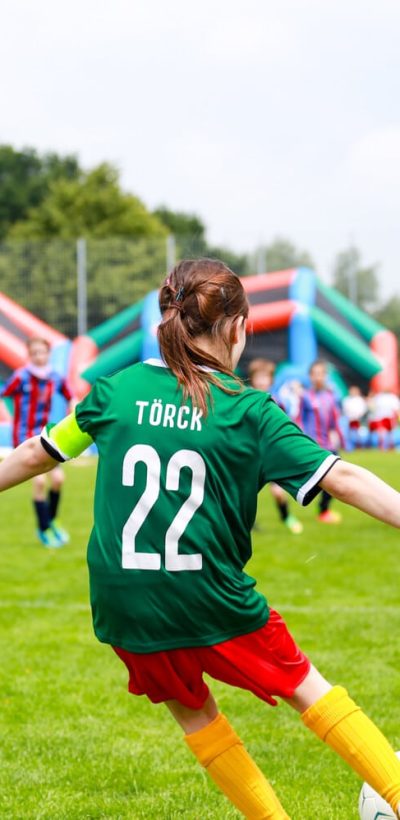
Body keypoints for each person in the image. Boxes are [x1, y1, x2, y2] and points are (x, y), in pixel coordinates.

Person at [1, 258, 400, 819]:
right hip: (208, 594)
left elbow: (30, 454)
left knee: (196, 715)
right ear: (237, 328)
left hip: (124, 602)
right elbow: (346, 477)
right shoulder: (247, 410)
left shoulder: (116, 389)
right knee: (307, 688)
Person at [0, 336, 74, 547]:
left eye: (43, 352)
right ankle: (44, 531)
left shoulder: (55, 377)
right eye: (35, 354)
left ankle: (50, 522)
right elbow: (2, 393)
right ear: (29, 355)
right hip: (24, 436)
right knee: (40, 480)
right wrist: (6, 416)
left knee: (58, 480)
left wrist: (73, 408)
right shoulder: (21, 377)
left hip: (44, 436)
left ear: (48, 354)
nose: (39, 357)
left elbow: (71, 396)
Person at [248, 358, 303, 535]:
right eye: (259, 377)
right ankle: (247, 523)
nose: (262, 381)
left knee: (278, 492)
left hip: (269, 454)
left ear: (271, 380)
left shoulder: (275, 401)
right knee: (245, 493)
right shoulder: (246, 399)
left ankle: (286, 517)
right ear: (252, 379)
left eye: (266, 377)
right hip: (250, 454)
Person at [298, 360, 345, 524]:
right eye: (315, 374)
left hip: (329, 445)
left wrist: (337, 436)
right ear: (310, 376)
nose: (318, 377)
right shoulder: (305, 397)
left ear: (326, 376)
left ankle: (324, 510)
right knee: (326, 480)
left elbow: (334, 421)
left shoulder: (331, 396)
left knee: (337, 481)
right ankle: (321, 510)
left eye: (321, 374)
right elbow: (298, 419)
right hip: (313, 446)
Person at [342, 385, 368, 450]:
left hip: (358, 420)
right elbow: (344, 411)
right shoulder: (346, 400)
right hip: (348, 420)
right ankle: (348, 446)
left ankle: (359, 446)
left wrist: (356, 417)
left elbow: (362, 411)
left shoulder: (360, 400)